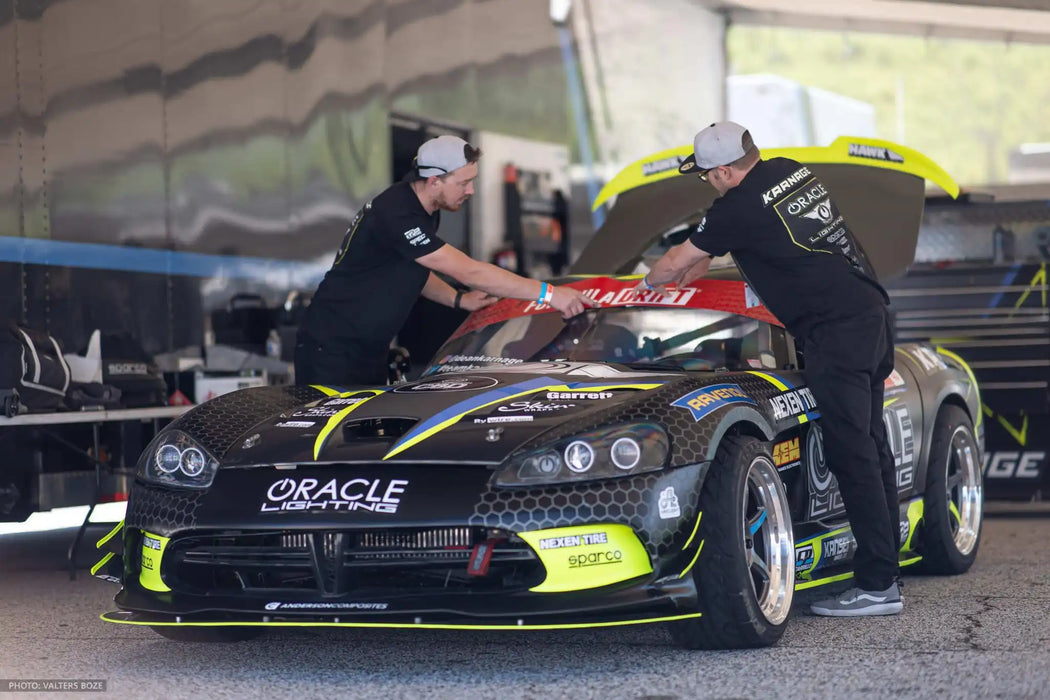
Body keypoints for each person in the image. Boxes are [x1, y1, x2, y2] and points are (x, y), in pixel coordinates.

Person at [635, 121, 902, 617]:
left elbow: (673, 263)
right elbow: (705, 254)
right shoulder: (790, 172)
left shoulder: (736, 207)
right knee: (870, 446)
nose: (707, 183)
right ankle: (886, 571)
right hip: (871, 313)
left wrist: (644, 285)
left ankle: (877, 585)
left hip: (834, 333)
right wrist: (685, 267)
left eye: (706, 176)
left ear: (721, 172)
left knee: (853, 455)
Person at [295, 134, 598, 386]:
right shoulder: (398, 214)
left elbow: (414, 268)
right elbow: (471, 271)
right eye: (463, 182)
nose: (471, 191)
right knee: (328, 453)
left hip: (367, 350)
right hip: (331, 350)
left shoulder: (424, 208)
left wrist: (458, 300)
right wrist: (550, 294)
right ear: (434, 181)